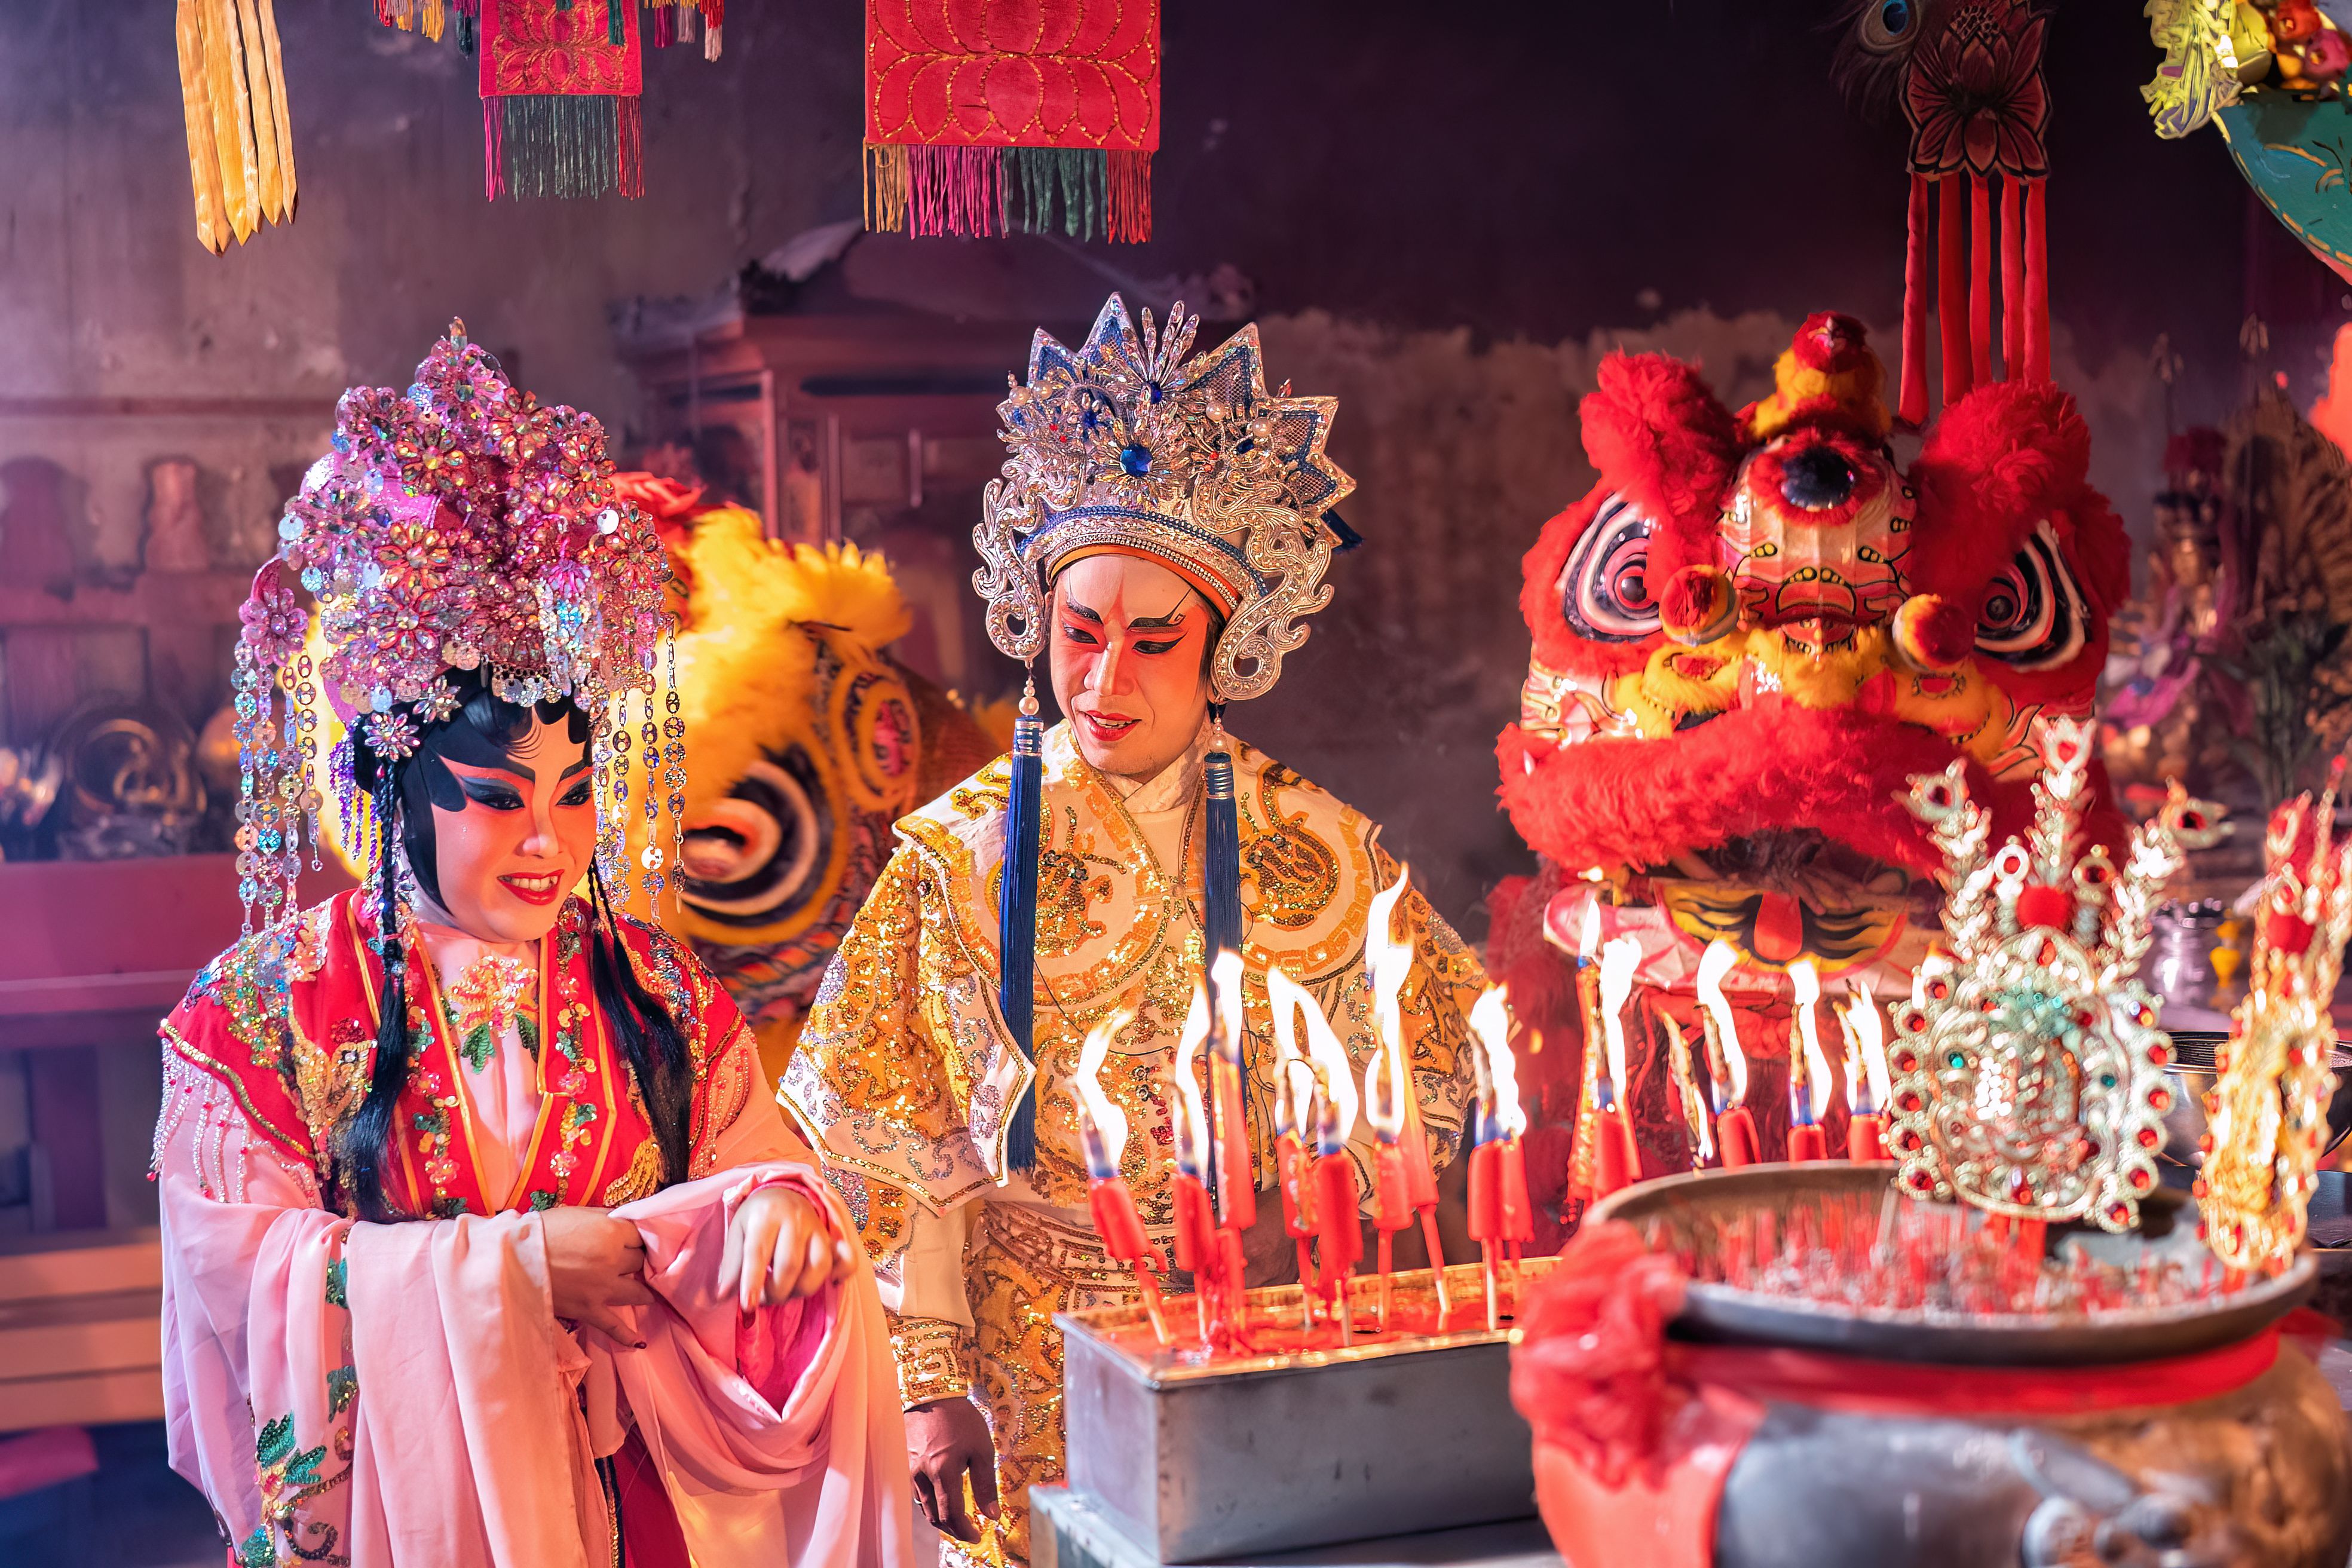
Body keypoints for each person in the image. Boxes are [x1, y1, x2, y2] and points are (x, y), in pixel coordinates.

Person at [154, 323, 914, 1568]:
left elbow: (750, 1169)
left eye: (577, 791)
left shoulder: (659, 985)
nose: (550, 843)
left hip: (633, 1514)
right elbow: (237, 1287)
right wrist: (512, 1276)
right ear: (393, 783)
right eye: (500, 799)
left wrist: (778, 1210)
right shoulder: (259, 1011)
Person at [783, 296, 1487, 1565]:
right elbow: (881, 1136)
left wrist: (1327, 1217)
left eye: (1154, 642)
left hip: (1255, 1345)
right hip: (1020, 1354)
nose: (1105, 683)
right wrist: (930, 1380)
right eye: (1081, 633)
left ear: (1227, 644)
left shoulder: (1326, 851)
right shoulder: (958, 860)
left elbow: (1444, 1077)